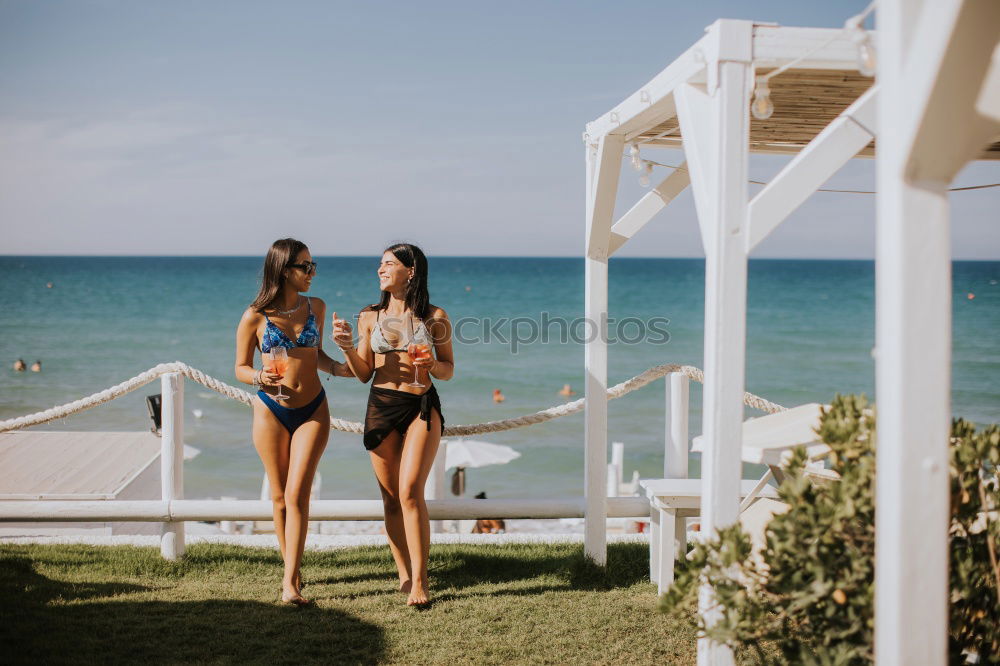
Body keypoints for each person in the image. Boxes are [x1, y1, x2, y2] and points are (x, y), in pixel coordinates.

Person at [331, 242, 454, 606]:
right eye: (380, 264)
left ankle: (420, 580)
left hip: (420, 405)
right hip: (381, 404)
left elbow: (448, 370)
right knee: (390, 499)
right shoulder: (369, 316)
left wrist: (431, 364)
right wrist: (346, 348)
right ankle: (402, 572)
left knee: (411, 492)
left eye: (388, 264)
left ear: (410, 271)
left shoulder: (435, 316)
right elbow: (363, 373)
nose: (380, 270)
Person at [235, 238, 346, 606]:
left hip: (312, 407)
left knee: (299, 494)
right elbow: (239, 367)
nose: (312, 272)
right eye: (305, 266)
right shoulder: (255, 315)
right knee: (280, 497)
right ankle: (292, 574)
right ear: (284, 270)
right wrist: (257, 378)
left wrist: (345, 368)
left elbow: (318, 357)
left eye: (313, 265)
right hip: (270, 408)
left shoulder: (317, 307)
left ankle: (289, 585)